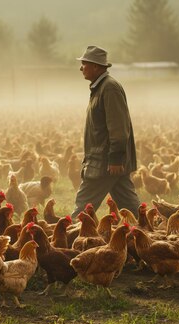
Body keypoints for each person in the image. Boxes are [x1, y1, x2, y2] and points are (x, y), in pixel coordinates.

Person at [71, 45, 139, 219]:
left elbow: (118, 127)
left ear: (96, 66)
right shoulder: (100, 88)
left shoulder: (109, 89)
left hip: (105, 162)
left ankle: (71, 240)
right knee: (132, 208)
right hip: (106, 161)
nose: (81, 68)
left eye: (84, 64)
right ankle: (156, 233)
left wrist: (116, 158)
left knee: (82, 209)